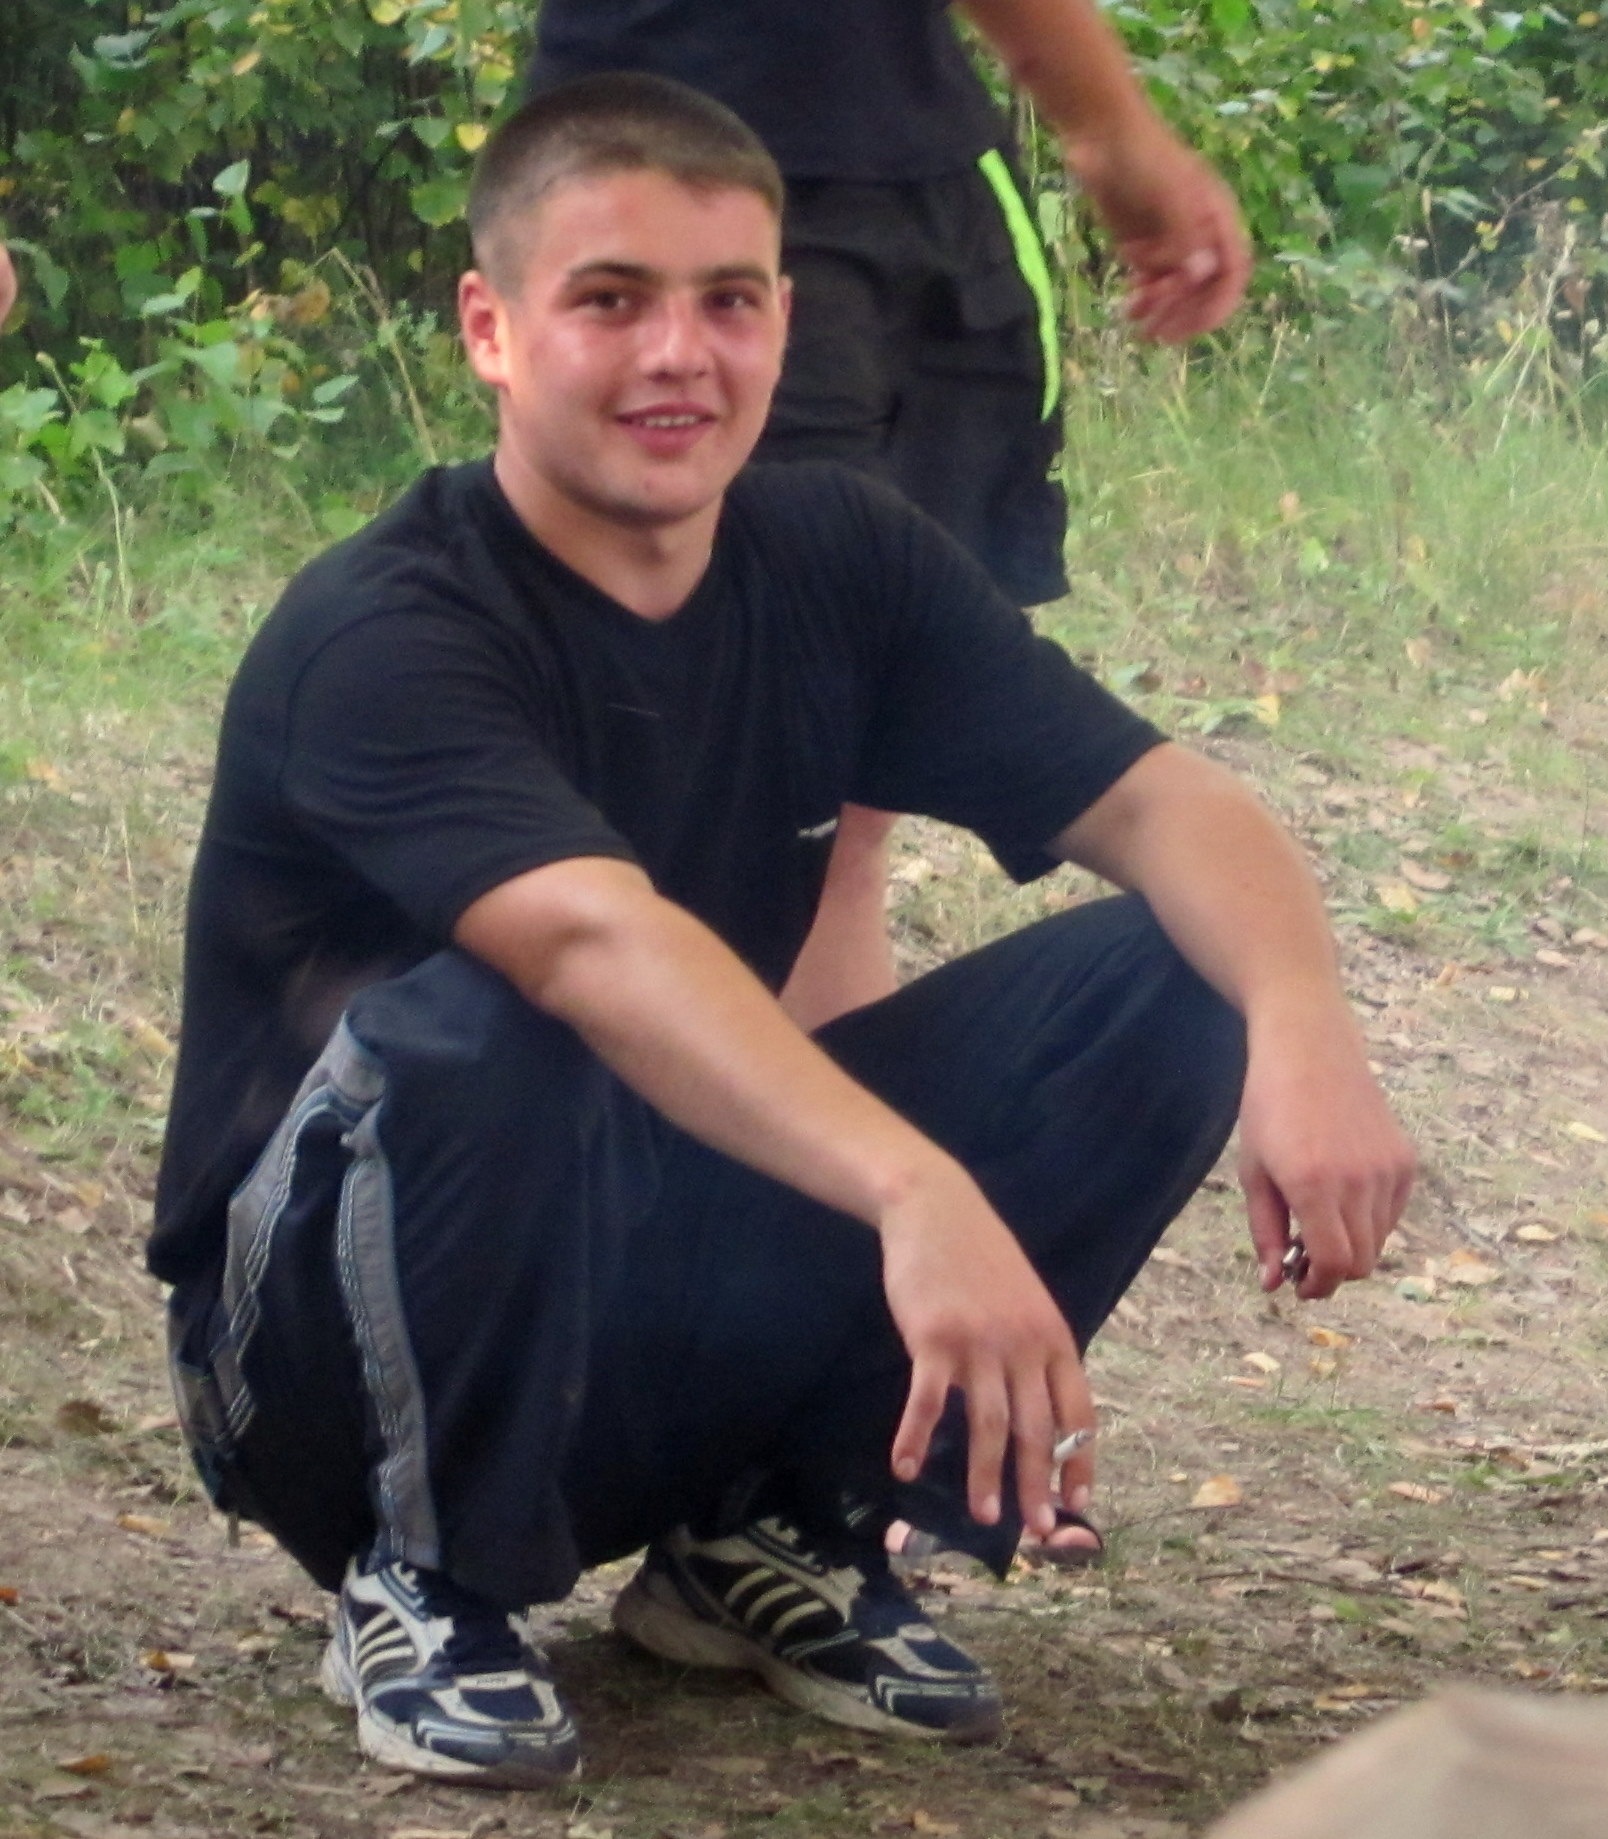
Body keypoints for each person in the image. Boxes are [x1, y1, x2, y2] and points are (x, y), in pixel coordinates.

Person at [151, 73, 1409, 1790]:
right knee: (501, 1012)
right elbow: (593, 947)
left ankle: (766, 1527)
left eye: (727, 300)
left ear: (782, 322)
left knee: (1179, 974)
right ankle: (422, 1571)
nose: (679, 354)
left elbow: (1160, 803)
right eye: (611, 299)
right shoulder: (384, 629)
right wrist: (913, 1185)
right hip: (319, 1351)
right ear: (491, 331)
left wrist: (1305, 1025)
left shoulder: (838, 556)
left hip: (638, 1272)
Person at [527, 0, 1254, 1039]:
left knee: (851, 777)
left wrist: (1106, 129)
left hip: (927, 162)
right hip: (667, 158)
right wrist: (1110, 133)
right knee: (730, 769)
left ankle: (833, 1128)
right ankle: (682, 1124)